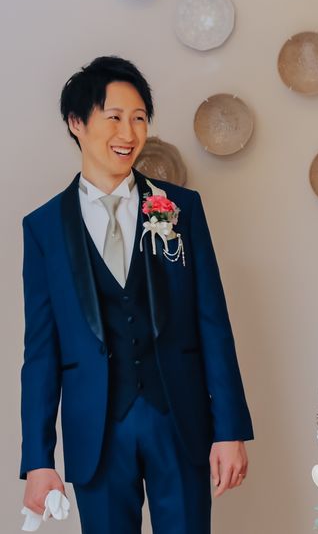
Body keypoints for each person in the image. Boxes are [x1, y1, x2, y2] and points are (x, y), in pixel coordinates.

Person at [20, 56, 254, 534]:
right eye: (114, 117)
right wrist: (38, 460)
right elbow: (41, 352)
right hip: (97, 432)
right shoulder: (43, 228)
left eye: (140, 118)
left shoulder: (181, 209)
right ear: (77, 123)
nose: (129, 133)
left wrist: (229, 429)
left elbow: (213, 322)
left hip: (179, 421)